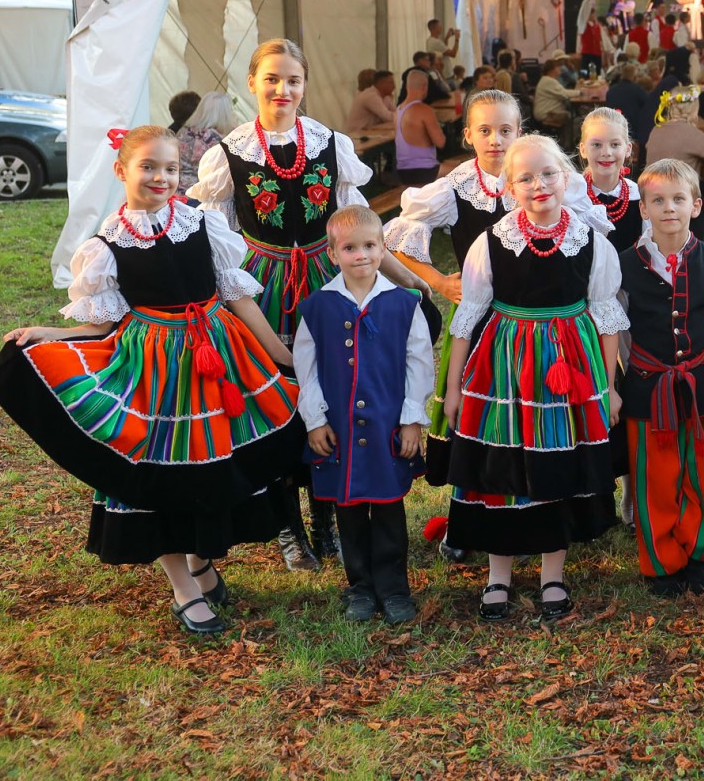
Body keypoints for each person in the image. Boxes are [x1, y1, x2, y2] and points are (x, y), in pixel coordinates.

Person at [0, 125, 300, 634]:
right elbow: (104, 321)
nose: (161, 177)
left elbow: (238, 296)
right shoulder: (107, 243)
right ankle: (182, 586)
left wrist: (281, 354)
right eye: (148, 167)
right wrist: (47, 333)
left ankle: (200, 560)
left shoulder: (203, 223)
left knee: (211, 466)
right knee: (156, 471)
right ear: (122, 170)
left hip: (215, 358)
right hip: (151, 368)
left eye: (171, 168)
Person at [190, 39, 424, 572]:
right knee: (276, 402)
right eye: (271, 79)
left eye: (293, 80)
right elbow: (217, 240)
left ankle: (327, 519)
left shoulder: (330, 144)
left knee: (337, 395)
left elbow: (361, 226)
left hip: (327, 283)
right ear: (251, 83)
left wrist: (406, 277)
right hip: (260, 288)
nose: (282, 90)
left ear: (305, 85)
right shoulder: (227, 154)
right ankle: (288, 527)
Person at [443, 135, 624, 624]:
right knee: (500, 465)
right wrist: (456, 388)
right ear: (509, 189)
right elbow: (469, 315)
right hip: (505, 366)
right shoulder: (492, 242)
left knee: (556, 466)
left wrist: (606, 389)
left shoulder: (592, 242)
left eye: (548, 174)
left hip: (570, 371)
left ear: (567, 177)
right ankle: (497, 575)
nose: (539, 184)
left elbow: (606, 318)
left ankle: (552, 575)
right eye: (525, 178)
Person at [295, 205, 433, 625]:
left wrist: (411, 418)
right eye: (350, 248)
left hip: (387, 426)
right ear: (334, 253)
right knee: (349, 511)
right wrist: (315, 419)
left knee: (389, 511)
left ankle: (393, 589)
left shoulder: (402, 303)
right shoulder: (317, 307)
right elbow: (307, 366)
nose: (361, 256)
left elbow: (419, 362)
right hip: (337, 430)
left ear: (381, 248)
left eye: (370, 246)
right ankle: (360, 588)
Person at [385, 90, 522, 504]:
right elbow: (396, 238)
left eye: (505, 130)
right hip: (479, 318)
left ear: (520, 132)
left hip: (530, 315)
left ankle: (527, 501)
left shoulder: (533, 174)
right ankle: (473, 505)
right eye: (485, 130)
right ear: (468, 135)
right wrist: (439, 283)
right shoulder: (456, 187)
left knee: (523, 406)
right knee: (477, 409)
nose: (496, 139)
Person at [617, 159, 704, 595]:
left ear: (697, 204)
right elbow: (621, 330)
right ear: (644, 209)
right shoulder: (625, 265)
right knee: (657, 474)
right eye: (658, 200)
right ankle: (663, 560)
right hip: (650, 385)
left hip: (702, 379)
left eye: (678, 199)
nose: (670, 208)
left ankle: (701, 550)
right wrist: (645, 371)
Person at [579, 107, 643, 254]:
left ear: (627, 149)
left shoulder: (638, 197)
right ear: (583, 149)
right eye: (596, 145)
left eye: (615, 145)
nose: (606, 153)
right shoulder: (573, 196)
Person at [645, 86, 704, 180]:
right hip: (679, 191)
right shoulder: (690, 133)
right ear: (694, 109)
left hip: (651, 190)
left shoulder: (656, 129)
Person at [177, 91, 238, 191]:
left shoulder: (184, 132)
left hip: (177, 191)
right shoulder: (215, 139)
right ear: (225, 114)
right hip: (200, 194)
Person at [395, 69, 446, 185]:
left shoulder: (398, 110)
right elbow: (440, 142)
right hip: (425, 171)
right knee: (466, 172)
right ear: (424, 87)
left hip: (402, 172)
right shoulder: (424, 110)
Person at [605, 63, 652, 143]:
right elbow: (649, 104)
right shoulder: (637, 90)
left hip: (612, 128)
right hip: (632, 131)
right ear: (634, 77)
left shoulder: (611, 90)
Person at [531, 55, 573, 134]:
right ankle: (566, 144)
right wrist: (580, 92)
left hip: (546, 112)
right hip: (547, 114)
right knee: (570, 116)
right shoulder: (548, 81)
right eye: (557, 67)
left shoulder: (547, 79)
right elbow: (564, 94)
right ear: (552, 70)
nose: (559, 68)